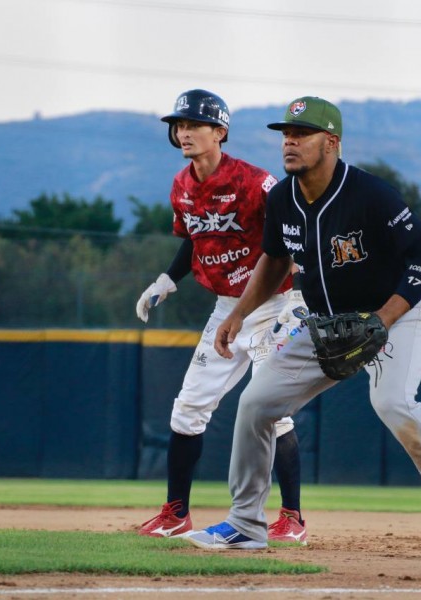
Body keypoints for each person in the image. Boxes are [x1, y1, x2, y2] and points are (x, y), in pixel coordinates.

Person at [186, 96, 421, 559]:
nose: (289, 142)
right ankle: (246, 523)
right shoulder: (281, 199)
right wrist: (238, 313)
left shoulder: (370, 194)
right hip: (324, 324)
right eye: (286, 134)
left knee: (394, 402)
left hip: (397, 312)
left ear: (331, 142)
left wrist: (384, 319)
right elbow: (274, 260)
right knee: (256, 404)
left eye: (302, 134)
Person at [135, 89, 307, 544]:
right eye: (179, 125)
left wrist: (306, 273)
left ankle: (291, 517)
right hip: (226, 308)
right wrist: (167, 280)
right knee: (188, 408)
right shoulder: (181, 185)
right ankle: (175, 513)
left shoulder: (255, 182)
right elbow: (192, 238)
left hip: (275, 304)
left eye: (194, 124)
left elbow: (289, 234)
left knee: (273, 412)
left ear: (220, 132)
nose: (184, 131)